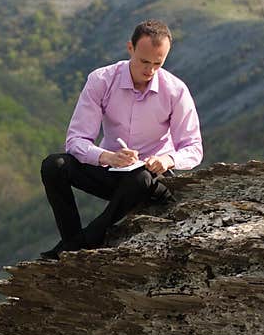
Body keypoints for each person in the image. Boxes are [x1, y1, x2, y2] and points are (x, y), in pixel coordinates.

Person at [39, 19, 203, 260]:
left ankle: (83, 242)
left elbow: (194, 148)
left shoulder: (175, 90)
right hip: (111, 170)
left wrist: (168, 159)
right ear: (130, 48)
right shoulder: (102, 80)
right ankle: (73, 239)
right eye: (144, 61)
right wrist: (107, 157)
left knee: (141, 177)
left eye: (158, 63)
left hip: (149, 180)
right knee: (54, 166)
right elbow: (76, 140)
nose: (150, 70)